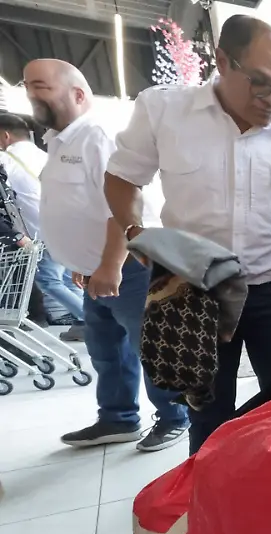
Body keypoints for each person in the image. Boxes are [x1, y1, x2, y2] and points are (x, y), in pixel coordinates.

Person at [101, 15, 271, 455]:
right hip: (195, 294)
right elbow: (123, 177)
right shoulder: (165, 111)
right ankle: (210, 492)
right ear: (222, 61)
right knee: (208, 415)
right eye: (260, 83)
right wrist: (134, 230)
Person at [23, 59, 191, 451]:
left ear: (78, 94)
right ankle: (118, 418)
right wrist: (86, 262)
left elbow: (124, 207)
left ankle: (175, 416)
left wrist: (110, 264)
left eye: (41, 86)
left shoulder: (96, 137)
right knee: (106, 350)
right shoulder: (60, 140)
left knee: (151, 345)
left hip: (131, 265)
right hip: (98, 269)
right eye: (27, 86)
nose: (32, 94)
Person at [0, 112, 87, 341]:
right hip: (70, 224)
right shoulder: (46, 155)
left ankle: (91, 320)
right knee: (68, 277)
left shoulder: (7, 160)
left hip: (44, 228)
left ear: (5, 136)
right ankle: (83, 322)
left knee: (48, 280)